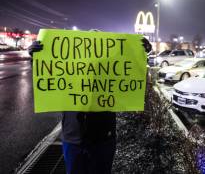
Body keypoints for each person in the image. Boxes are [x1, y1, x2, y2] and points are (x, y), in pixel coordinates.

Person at [30, 37, 152, 174]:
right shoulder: (70, 73)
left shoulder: (110, 74)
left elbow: (133, 74)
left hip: (102, 140)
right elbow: (48, 73)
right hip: (73, 139)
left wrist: (141, 54)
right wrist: (36, 57)